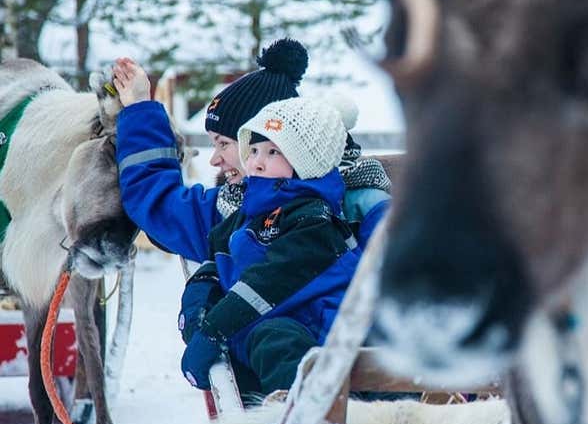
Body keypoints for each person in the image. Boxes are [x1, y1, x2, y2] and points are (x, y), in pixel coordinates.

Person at [112, 38, 390, 264]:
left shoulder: (362, 206)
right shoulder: (232, 209)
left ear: (268, 142)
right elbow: (159, 205)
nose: (215, 159)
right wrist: (139, 108)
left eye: (224, 143)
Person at [179, 96, 361, 394]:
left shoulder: (312, 220)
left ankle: (308, 418)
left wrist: (214, 330)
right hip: (260, 335)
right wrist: (198, 299)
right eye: (252, 150)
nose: (256, 162)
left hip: (320, 335)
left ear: (304, 163)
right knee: (268, 339)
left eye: (273, 151)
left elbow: (270, 281)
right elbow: (218, 256)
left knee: (276, 339)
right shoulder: (250, 212)